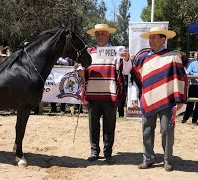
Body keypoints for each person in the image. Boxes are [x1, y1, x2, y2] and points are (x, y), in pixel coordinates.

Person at [130, 27, 187, 171]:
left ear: (163, 40)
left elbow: (180, 76)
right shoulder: (143, 57)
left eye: (154, 38)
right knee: (147, 130)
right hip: (148, 99)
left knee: (167, 130)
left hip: (168, 100)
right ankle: (147, 158)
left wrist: (179, 98)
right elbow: (137, 78)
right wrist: (135, 96)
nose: (151, 40)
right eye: (150, 38)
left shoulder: (173, 56)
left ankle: (167, 160)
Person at [78, 24, 131, 164]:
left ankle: (108, 153)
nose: (100, 36)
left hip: (110, 94)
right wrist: (79, 70)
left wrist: (126, 59)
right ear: (95, 36)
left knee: (109, 126)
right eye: (97, 34)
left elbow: (125, 71)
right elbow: (80, 69)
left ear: (108, 35)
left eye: (103, 33)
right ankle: (94, 151)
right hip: (92, 95)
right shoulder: (88, 52)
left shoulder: (117, 51)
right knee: (93, 125)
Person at [182, 51, 198, 125]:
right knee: (190, 103)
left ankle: (194, 120)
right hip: (193, 85)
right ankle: (185, 119)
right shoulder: (192, 64)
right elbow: (188, 72)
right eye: (196, 55)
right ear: (194, 56)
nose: (197, 56)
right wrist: (195, 74)